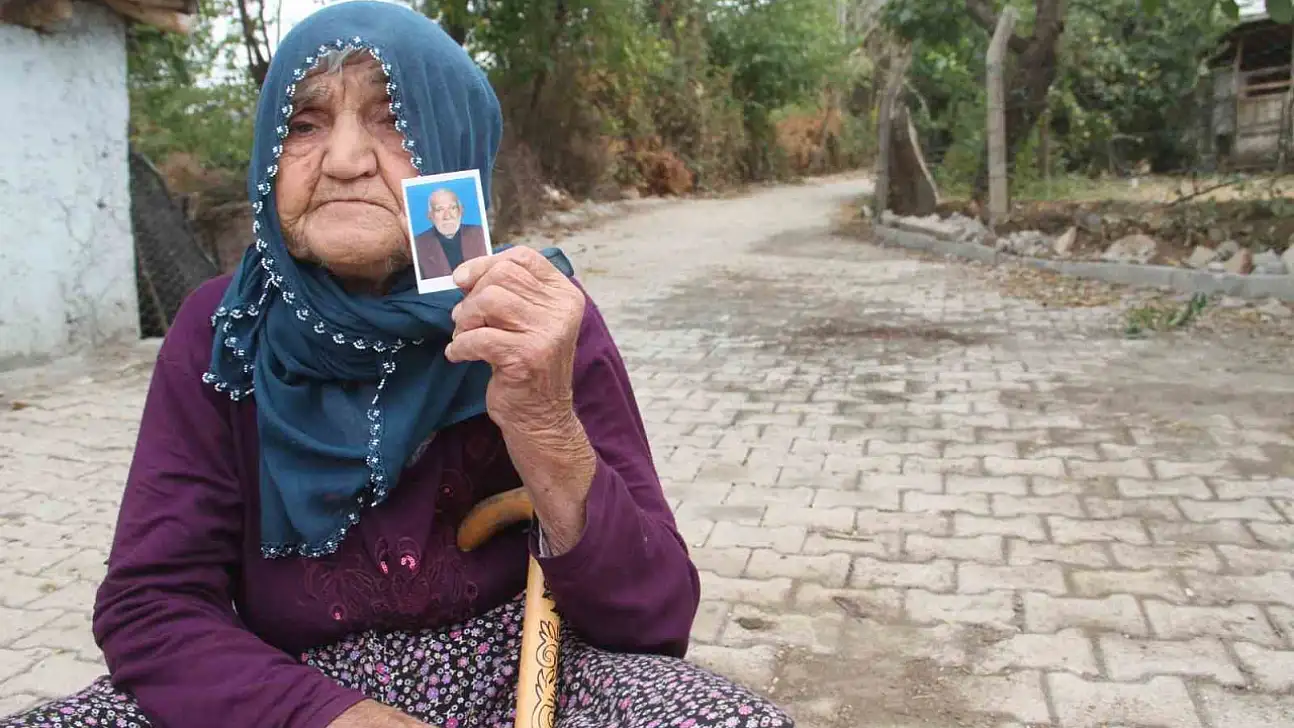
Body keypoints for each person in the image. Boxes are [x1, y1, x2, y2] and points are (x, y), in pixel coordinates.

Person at [0, 3, 794, 728]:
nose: (344, 159)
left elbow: (654, 619)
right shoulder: (222, 330)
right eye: (305, 125)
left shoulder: (533, 317)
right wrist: (334, 719)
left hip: (532, 679)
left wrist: (547, 426)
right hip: (283, 688)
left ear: (454, 147)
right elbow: (150, 607)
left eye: (392, 119)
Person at [413, 187, 490, 280]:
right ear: (430, 215)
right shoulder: (418, 245)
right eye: (439, 210)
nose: (447, 216)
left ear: (461, 210)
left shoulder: (480, 233)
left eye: (453, 208)